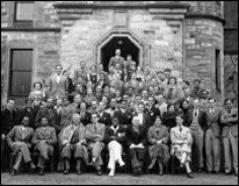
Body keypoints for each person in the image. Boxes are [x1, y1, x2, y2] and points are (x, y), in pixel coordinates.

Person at [185, 99, 207, 172]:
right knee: (188, 148)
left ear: (199, 104)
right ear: (193, 104)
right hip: (190, 130)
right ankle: (189, 166)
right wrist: (187, 129)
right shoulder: (189, 112)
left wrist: (202, 130)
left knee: (200, 149)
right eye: (194, 103)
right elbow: (186, 122)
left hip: (199, 131)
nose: (196, 104)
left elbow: (205, 123)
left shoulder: (203, 112)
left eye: (197, 103)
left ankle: (200, 166)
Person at [170, 114, 194, 178]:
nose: (178, 121)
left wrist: (183, 142)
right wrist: (182, 141)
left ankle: (182, 163)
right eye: (177, 120)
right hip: (176, 146)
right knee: (183, 151)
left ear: (182, 120)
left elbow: (189, 139)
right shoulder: (173, 129)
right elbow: (173, 140)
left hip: (185, 146)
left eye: (179, 119)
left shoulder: (187, 129)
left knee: (184, 149)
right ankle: (188, 170)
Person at [1, 98, 20, 172]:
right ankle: (3, 168)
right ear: (7, 103)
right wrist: (2, 133)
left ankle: (9, 167)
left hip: (12, 134)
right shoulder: (3, 112)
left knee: (10, 150)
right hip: (4, 133)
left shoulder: (14, 113)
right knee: (3, 150)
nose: (12, 105)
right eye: (10, 103)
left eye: (13, 103)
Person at [220, 98, 238, 176]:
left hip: (234, 132)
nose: (229, 105)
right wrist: (231, 119)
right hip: (225, 133)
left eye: (230, 103)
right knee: (226, 152)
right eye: (227, 104)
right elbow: (221, 121)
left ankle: (236, 169)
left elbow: (237, 119)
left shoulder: (236, 110)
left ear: (232, 104)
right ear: (225, 105)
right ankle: (228, 169)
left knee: (235, 152)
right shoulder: (223, 111)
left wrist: (227, 118)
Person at [205, 98, 221, 174]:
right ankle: (209, 168)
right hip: (208, 130)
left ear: (215, 103)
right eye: (210, 102)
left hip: (216, 130)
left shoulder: (219, 111)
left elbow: (219, 120)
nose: (211, 104)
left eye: (212, 102)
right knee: (208, 151)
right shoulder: (206, 111)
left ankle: (216, 168)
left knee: (216, 151)